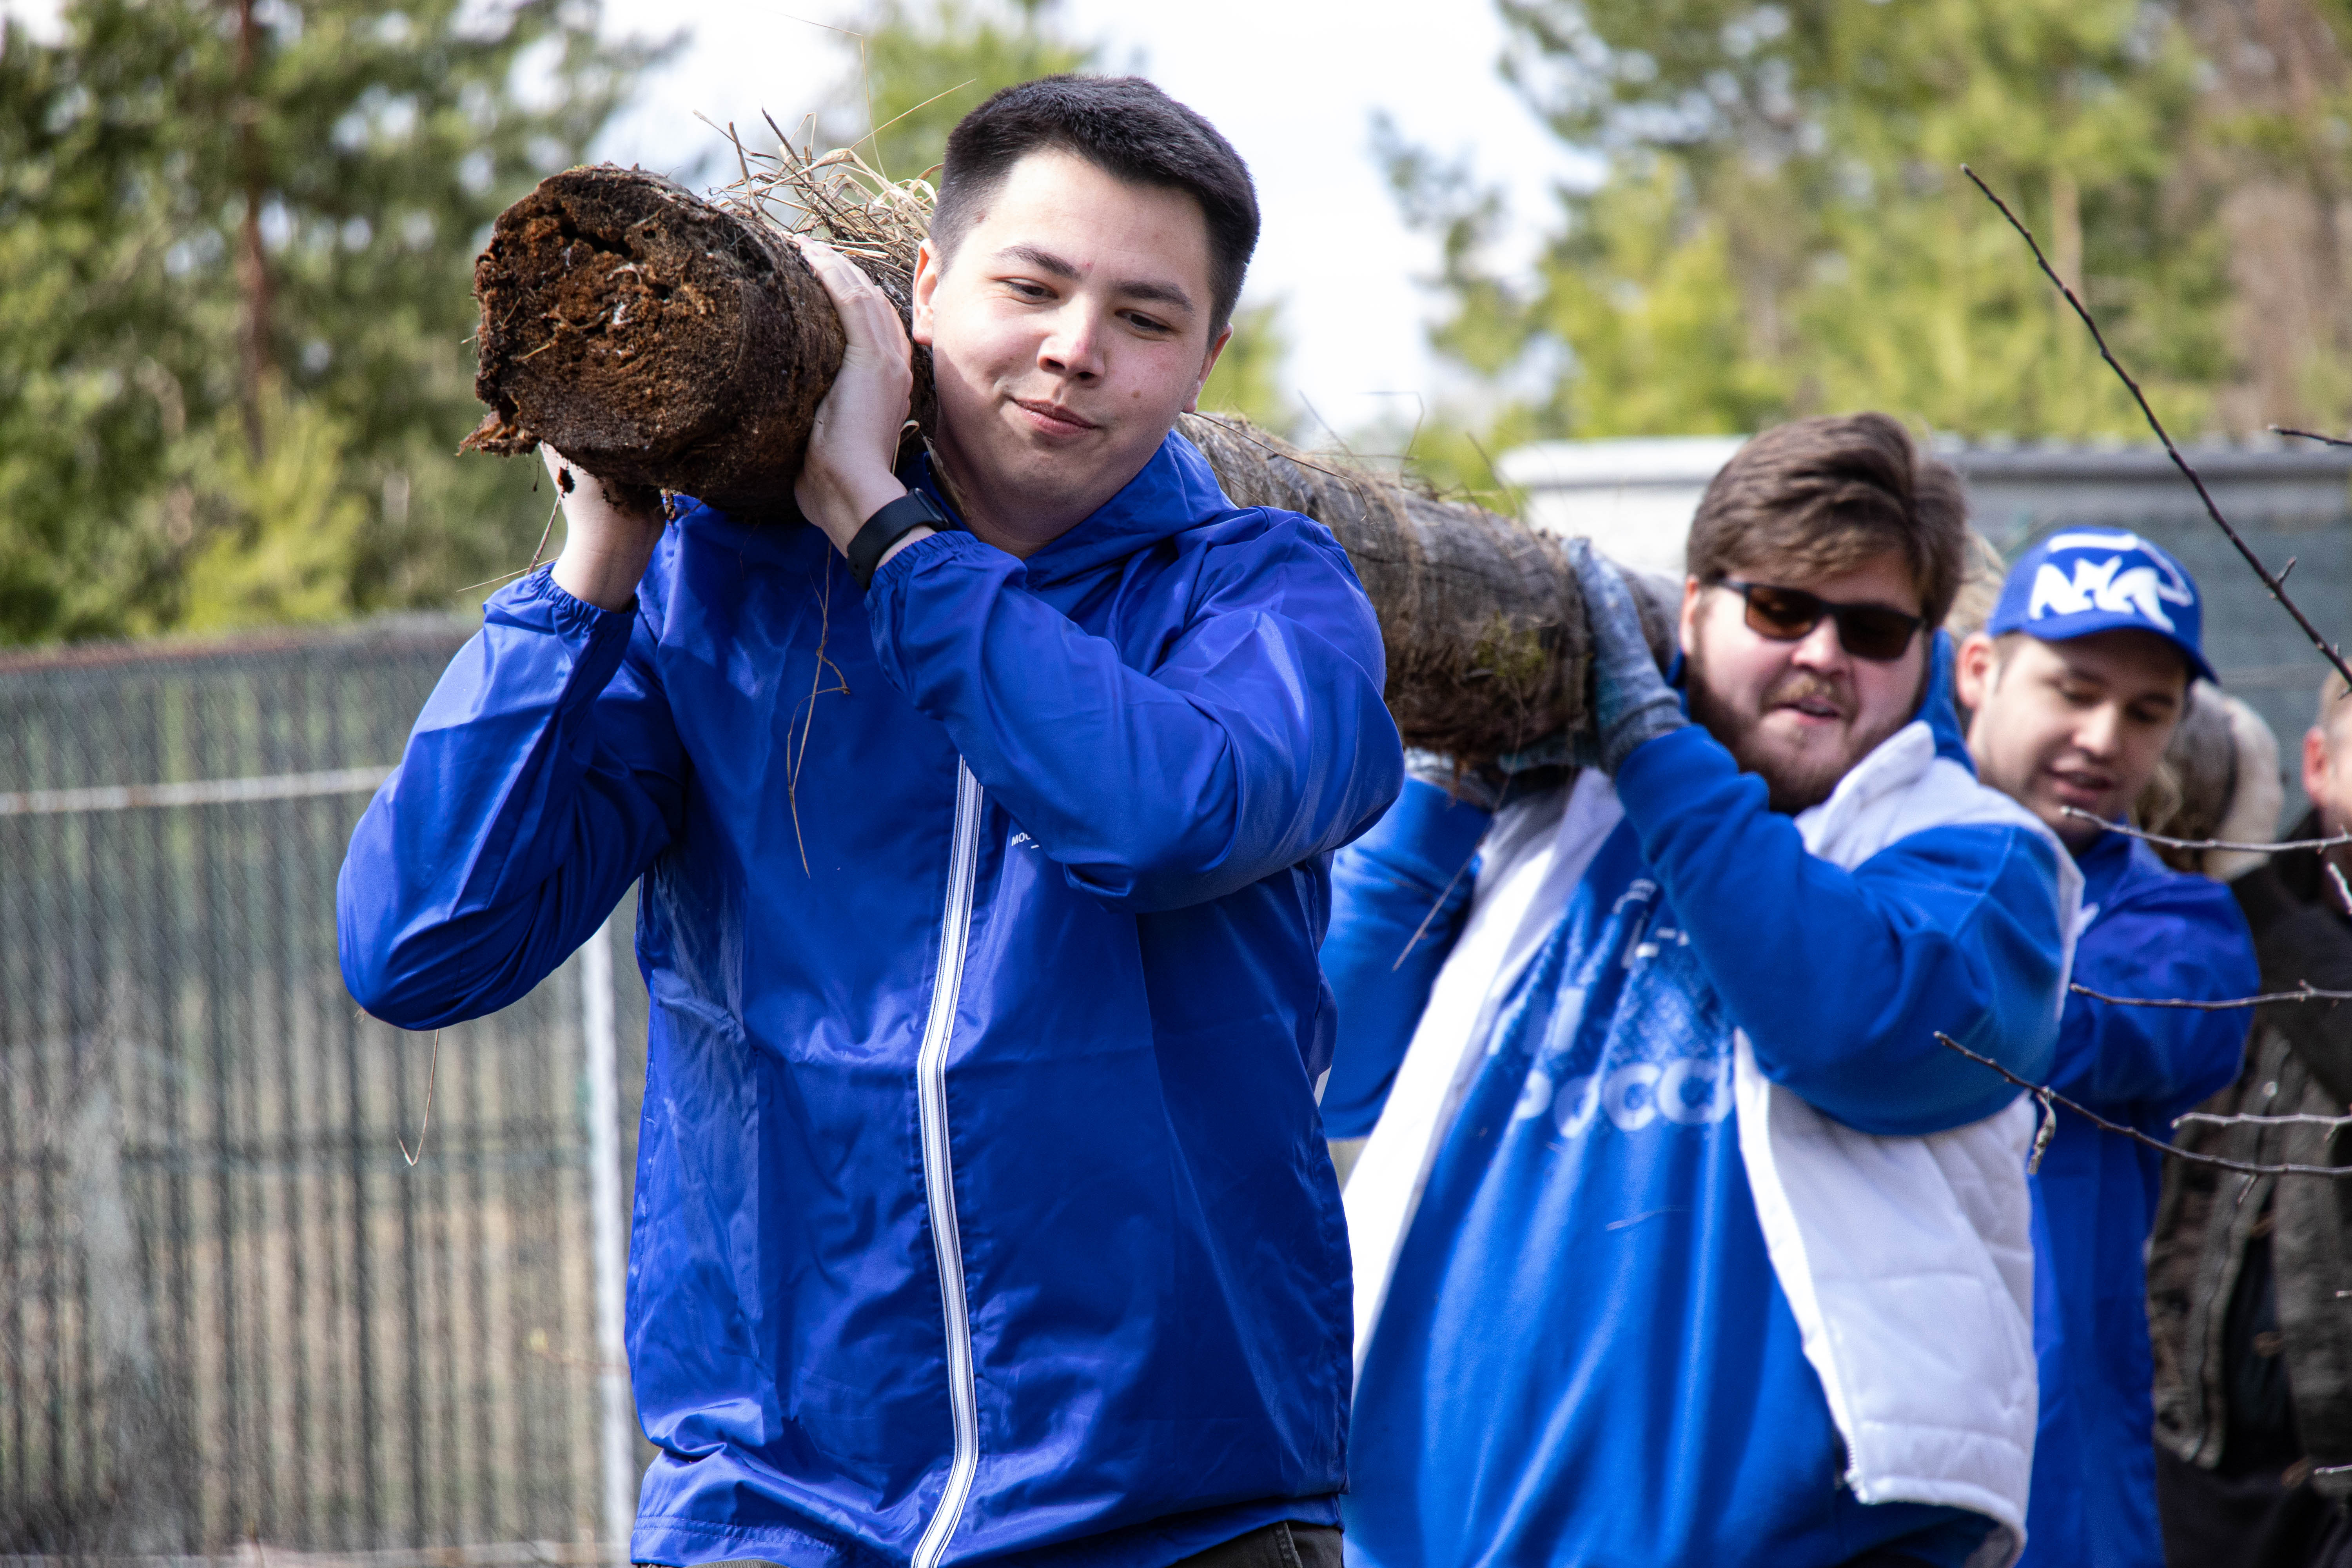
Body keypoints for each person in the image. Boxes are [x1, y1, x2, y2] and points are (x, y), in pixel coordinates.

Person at [338, 76, 1402, 1568]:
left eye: (1145, 319)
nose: (1073, 350)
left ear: (1207, 357)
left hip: (1175, 1519)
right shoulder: (716, 594)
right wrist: (589, 576)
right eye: (1030, 286)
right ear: (926, 286)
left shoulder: (1267, 604)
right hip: (771, 1508)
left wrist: (889, 537)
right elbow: (418, 948)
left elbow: (1157, 819)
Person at [1324, 413, 2079, 1568]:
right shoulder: (1549, 825)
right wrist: (1446, 789)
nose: (1825, 654)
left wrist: (1651, 747)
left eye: (1875, 628)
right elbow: (1328, 1057)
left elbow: (1852, 1025)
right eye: (1781, 609)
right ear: (1691, 610)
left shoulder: (1985, 859)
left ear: (1926, 653)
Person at [1950, 531, 2259, 1568]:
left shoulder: (2187, 933)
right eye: (2072, 690)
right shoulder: (1844, 852)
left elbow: (2018, 1024)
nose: (2101, 736)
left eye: (2145, 711)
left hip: (2057, 1503)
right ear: (1978, 671)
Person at [2150, 670, 2352, 1568]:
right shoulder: (2219, 913)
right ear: (2318, 763)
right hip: (2191, 1458)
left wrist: (2251, 891)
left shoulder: (2254, 908)